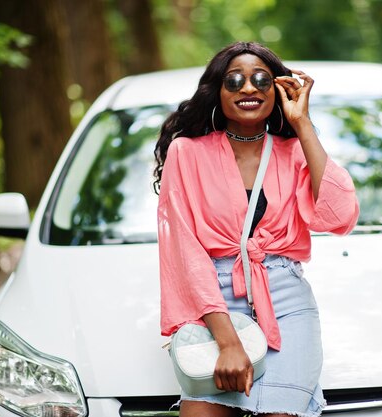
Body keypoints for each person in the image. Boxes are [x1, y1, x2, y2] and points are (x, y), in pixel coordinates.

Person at [154, 42, 359, 417]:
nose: (248, 89)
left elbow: (340, 215)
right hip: (210, 305)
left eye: (261, 80)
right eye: (234, 80)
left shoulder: (296, 151)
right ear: (216, 92)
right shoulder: (186, 153)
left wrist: (302, 123)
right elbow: (183, 252)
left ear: (278, 89)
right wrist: (228, 341)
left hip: (287, 305)